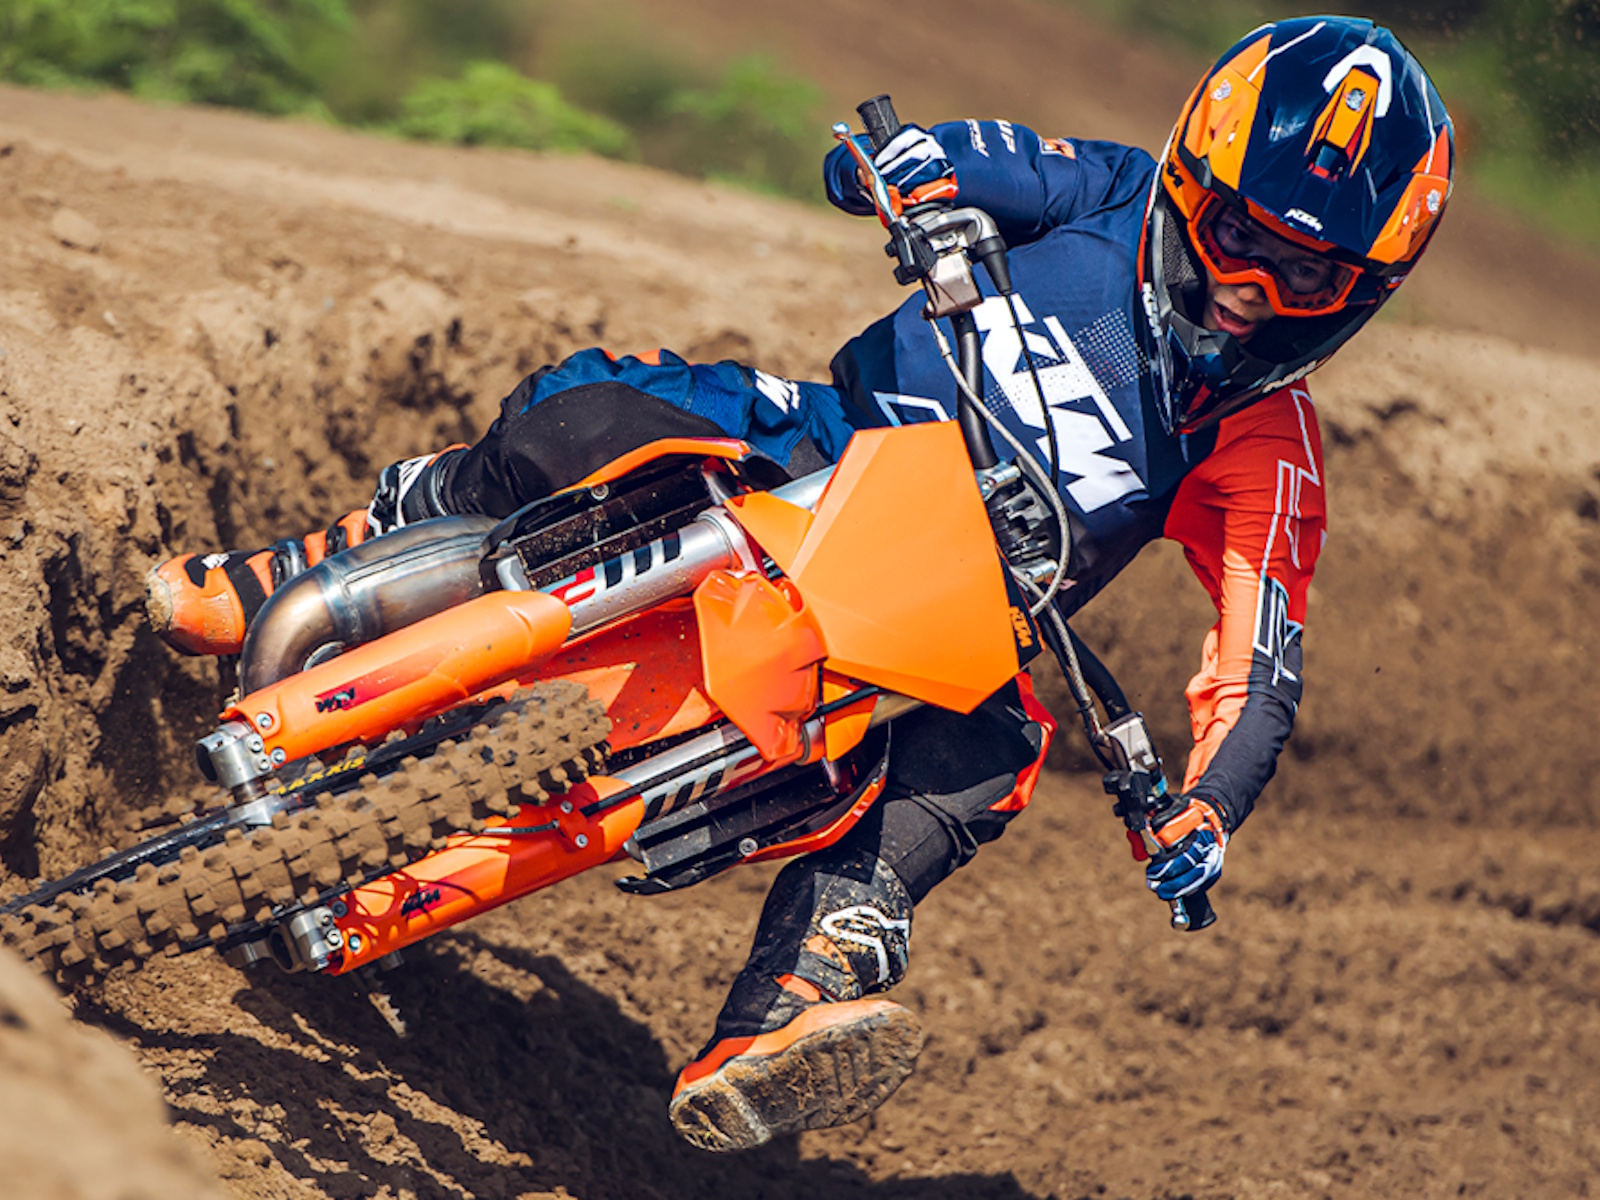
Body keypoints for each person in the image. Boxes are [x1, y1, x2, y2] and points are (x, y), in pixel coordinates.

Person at [144, 16, 1452, 1153]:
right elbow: (916, 154)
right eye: (1236, 235)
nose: (1250, 290)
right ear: (1186, 182)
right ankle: (298, 574)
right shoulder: (1099, 191)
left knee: (988, 757)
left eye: (1308, 275)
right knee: (591, 408)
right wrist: (905, 177)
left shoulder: (1268, 450)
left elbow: (1257, 665)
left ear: (1364, 294)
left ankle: (792, 1003)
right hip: (821, 444)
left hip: (949, 616)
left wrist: (1206, 809)